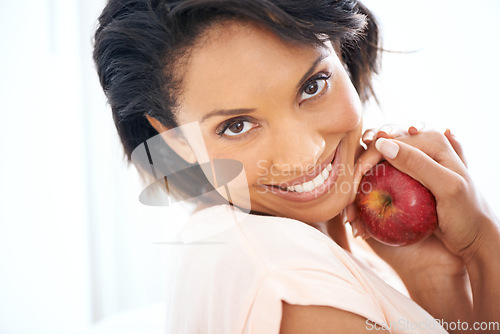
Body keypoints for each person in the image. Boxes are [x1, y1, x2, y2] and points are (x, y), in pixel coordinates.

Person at [93, 0, 500, 332]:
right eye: (236, 125)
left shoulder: (259, 246)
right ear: (176, 139)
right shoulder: (286, 281)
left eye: (313, 86)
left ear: (341, 51)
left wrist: (435, 281)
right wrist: (486, 250)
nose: (303, 153)